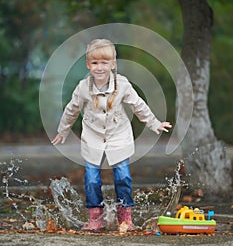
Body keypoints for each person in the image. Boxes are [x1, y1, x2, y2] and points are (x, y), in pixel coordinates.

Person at [52, 38, 172, 232]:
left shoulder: (122, 85)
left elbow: (138, 105)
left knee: (123, 176)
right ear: (88, 65)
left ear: (113, 64)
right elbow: (71, 110)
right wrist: (63, 130)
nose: (99, 67)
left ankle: (125, 218)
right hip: (93, 136)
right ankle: (95, 218)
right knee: (91, 178)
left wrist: (155, 123)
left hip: (119, 135)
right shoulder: (83, 87)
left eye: (105, 62)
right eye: (95, 63)